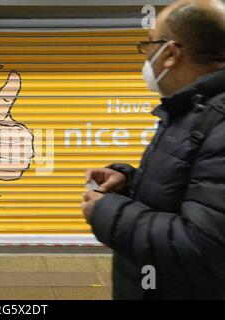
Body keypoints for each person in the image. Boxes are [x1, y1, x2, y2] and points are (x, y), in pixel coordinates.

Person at [83, 0, 225, 299]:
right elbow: (187, 190)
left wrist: (107, 211)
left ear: (171, 53)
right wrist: (129, 183)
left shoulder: (217, 120)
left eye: (150, 43)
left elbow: (204, 246)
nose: (147, 53)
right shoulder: (190, 109)